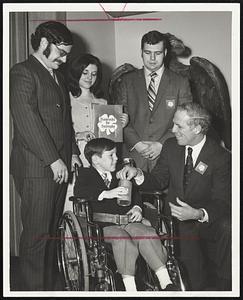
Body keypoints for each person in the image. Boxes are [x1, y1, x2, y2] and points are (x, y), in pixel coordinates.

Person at [117, 103, 231, 291]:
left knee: (228, 232)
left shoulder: (221, 157)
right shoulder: (171, 146)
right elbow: (158, 180)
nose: (173, 130)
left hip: (207, 221)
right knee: (193, 279)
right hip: (177, 223)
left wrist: (198, 213)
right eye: (173, 124)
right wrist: (138, 173)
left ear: (197, 128)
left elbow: (223, 201)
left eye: (179, 126)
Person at [10, 21, 81, 291]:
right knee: (37, 237)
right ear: (42, 44)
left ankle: (47, 287)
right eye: (60, 52)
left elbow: (65, 121)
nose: (64, 60)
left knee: (51, 234)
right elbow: (28, 121)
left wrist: (72, 152)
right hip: (37, 168)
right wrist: (53, 159)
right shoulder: (23, 72)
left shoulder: (56, 76)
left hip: (59, 165)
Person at [73, 138, 177, 291]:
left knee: (146, 233)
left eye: (116, 154)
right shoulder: (85, 174)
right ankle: (130, 288)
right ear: (96, 159)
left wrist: (137, 208)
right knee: (121, 239)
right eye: (111, 155)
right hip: (104, 225)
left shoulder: (121, 171)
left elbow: (135, 194)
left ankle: (165, 281)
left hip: (129, 220)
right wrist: (106, 193)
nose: (116, 158)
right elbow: (80, 192)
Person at [115, 30, 192, 172]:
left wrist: (161, 145)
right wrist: (138, 144)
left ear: (165, 52)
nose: (152, 58)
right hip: (134, 157)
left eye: (157, 53)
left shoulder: (180, 83)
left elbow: (186, 121)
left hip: (167, 157)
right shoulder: (126, 81)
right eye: (147, 52)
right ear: (141, 52)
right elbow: (120, 118)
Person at [67, 53, 129, 167]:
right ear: (76, 72)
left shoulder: (103, 103)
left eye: (93, 74)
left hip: (99, 160)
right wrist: (78, 136)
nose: (89, 77)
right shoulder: (66, 100)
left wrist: (120, 125)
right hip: (74, 157)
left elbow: (109, 138)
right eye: (85, 72)